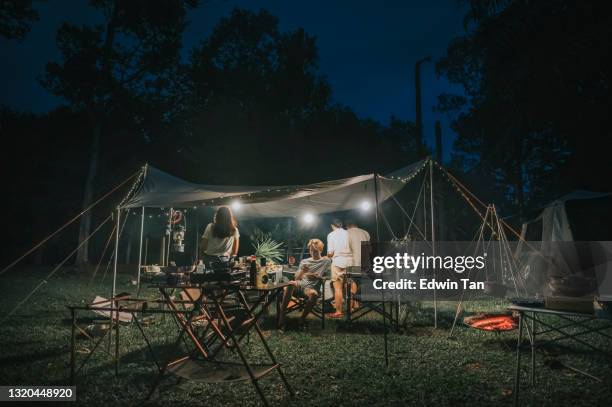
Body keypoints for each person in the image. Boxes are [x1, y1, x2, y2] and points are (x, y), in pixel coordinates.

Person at [278, 239, 331, 328]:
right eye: (311, 250)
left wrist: (319, 278)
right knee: (291, 283)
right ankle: (281, 317)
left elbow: (328, 277)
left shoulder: (326, 261)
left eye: (315, 251)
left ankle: (302, 318)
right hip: (300, 284)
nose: (313, 253)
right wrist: (302, 271)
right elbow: (296, 277)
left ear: (321, 250)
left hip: (311, 288)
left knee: (313, 294)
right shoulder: (304, 261)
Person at [326, 219, 353, 318]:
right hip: (350, 262)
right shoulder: (348, 233)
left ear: (332, 225)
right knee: (349, 285)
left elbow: (330, 253)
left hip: (338, 262)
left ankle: (338, 311)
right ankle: (351, 308)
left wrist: (327, 256)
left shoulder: (331, 235)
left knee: (338, 288)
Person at [346, 219, 370, 310]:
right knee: (359, 283)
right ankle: (358, 303)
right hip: (365, 262)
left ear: (348, 225)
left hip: (352, 261)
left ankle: (354, 304)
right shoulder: (366, 233)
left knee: (352, 281)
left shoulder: (346, 233)